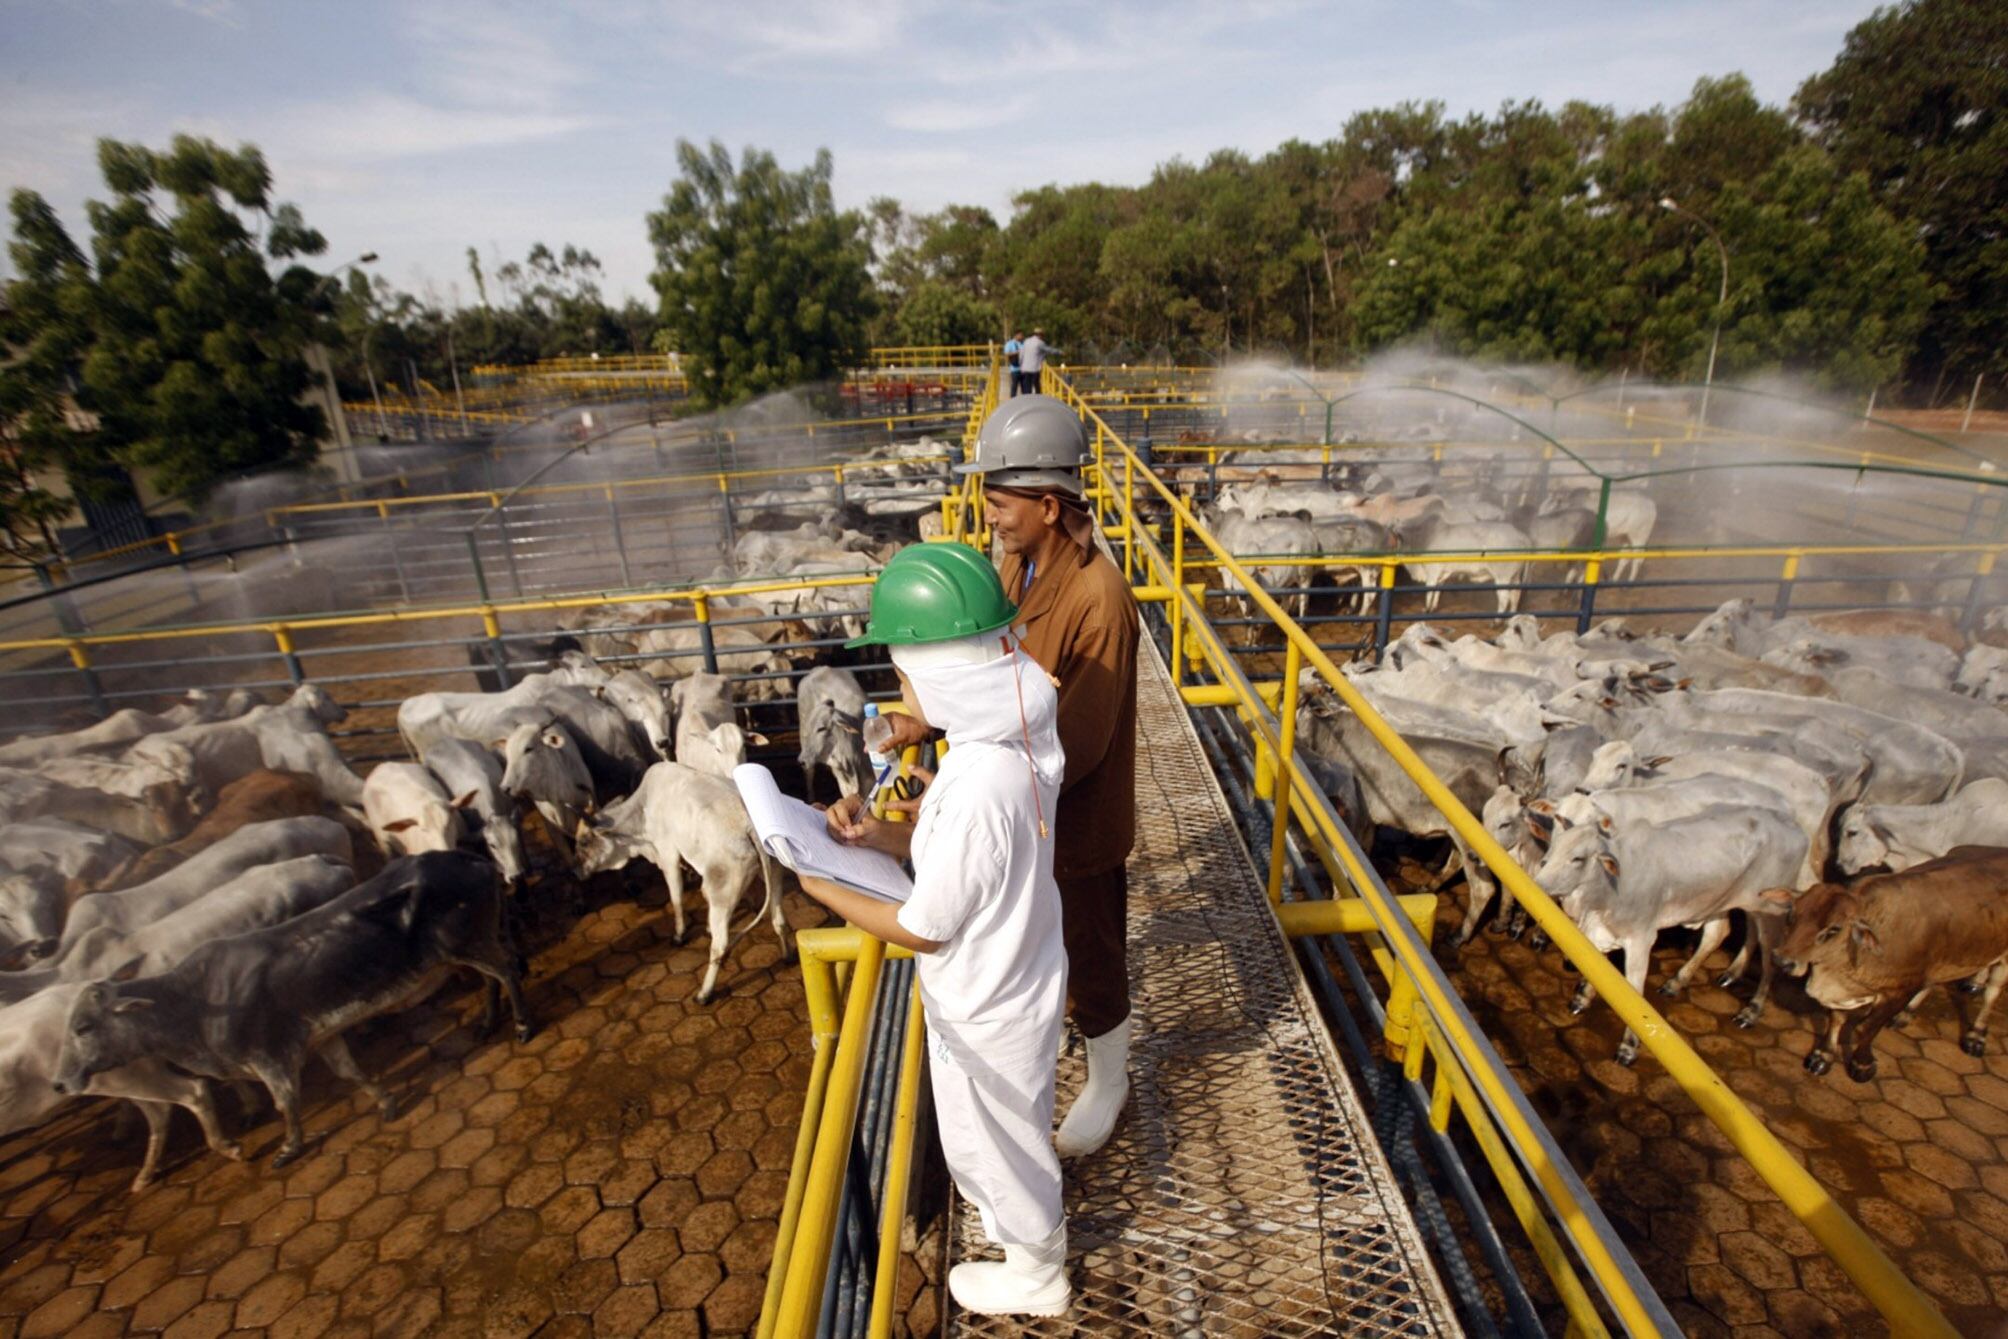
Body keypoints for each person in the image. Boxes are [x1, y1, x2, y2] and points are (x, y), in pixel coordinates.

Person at [801, 543, 1072, 1317]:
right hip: (1009, 976)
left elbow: (922, 925)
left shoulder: (982, 783)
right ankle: (1012, 1223)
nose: (901, 692)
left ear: (940, 673)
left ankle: (1038, 1270)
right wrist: (879, 839)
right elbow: (958, 857)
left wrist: (819, 879)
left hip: (987, 1000)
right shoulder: (998, 741)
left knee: (1006, 1138)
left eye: (905, 674)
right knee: (990, 1128)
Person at [962, 395, 1138, 1159]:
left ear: (1045, 501)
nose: (990, 517)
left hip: (1077, 814)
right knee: (1047, 938)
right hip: (1027, 800)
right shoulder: (1019, 560)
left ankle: (1112, 1078)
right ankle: (1074, 1028)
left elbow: (1085, 740)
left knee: (1091, 945)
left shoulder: (1099, 597)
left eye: (998, 503)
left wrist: (983, 785)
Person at [1018, 328, 1051, 396]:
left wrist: (1020, 365)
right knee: (1036, 386)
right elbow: (1048, 350)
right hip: (1035, 369)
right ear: (1040, 335)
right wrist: (1060, 352)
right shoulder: (1040, 342)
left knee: (1027, 388)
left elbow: (1021, 355)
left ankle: (1028, 400)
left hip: (1025, 368)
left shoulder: (1026, 341)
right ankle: (1037, 400)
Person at [1003, 331, 1024, 397]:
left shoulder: (1023, 343)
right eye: (1020, 335)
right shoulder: (1010, 344)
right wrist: (1016, 352)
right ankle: (1012, 401)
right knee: (1014, 387)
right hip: (1015, 369)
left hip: (1024, 369)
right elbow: (1007, 353)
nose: (1022, 337)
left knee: (1025, 388)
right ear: (1016, 335)